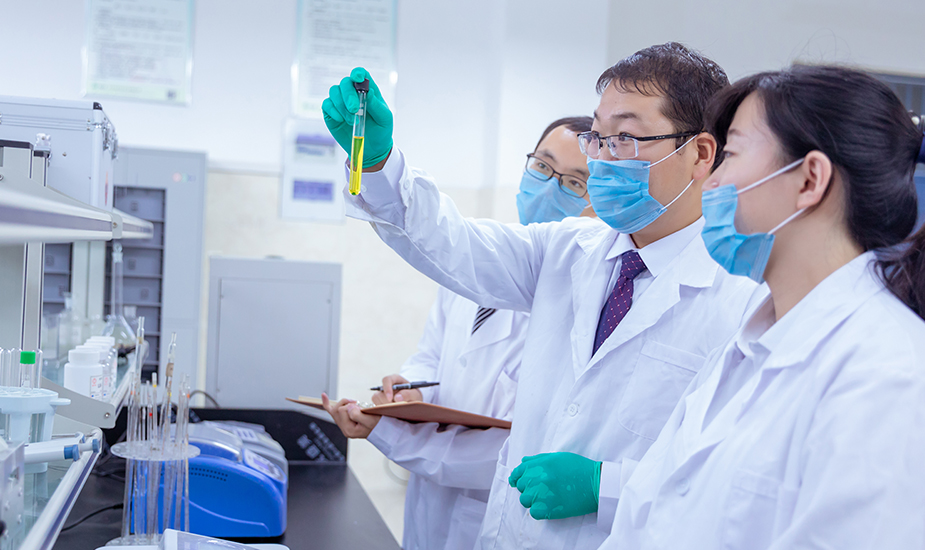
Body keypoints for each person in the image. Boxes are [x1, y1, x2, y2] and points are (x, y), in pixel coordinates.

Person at [321, 43, 761, 549]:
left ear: (701, 154)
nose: (603, 159)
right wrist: (379, 164)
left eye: (625, 137)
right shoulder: (569, 248)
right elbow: (453, 243)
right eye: (598, 137)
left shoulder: (742, 297)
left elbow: (738, 474)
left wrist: (606, 487)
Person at [598, 65, 925, 549]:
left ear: (809, 179)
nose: (711, 180)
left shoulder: (887, 376)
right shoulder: (745, 346)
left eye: (729, 154)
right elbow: (646, 514)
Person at [322, 116, 594, 550]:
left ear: (596, 205)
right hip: (427, 509)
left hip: (490, 518)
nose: (548, 187)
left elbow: (511, 453)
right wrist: (411, 391)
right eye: (542, 166)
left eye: (574, 182)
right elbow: (432, 356)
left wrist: (387, 433)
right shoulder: (485, 262)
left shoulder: (579, 307)